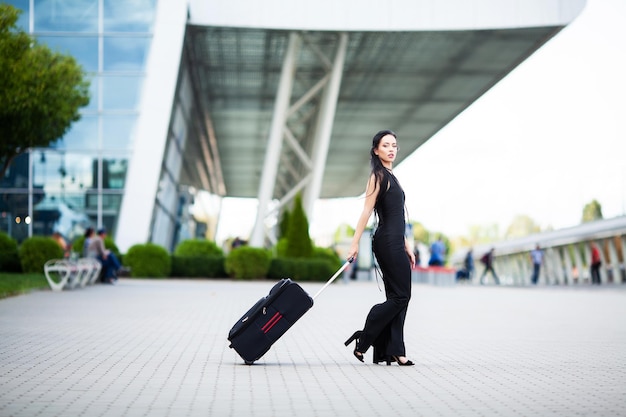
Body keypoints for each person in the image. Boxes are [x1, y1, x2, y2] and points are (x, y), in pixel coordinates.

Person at [345, 130, 416, 366]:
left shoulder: (391, 176)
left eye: (394, 145)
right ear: (376, 150)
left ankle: (392, 351)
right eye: (386, 145)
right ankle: (365, 337)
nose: (391, 149)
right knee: (402, 295)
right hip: (386, 241)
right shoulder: (377, 176)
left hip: (395, 240)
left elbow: (396, 217)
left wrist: (407, 246)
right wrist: (354, 243)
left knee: (397, 296)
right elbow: (367, 211)